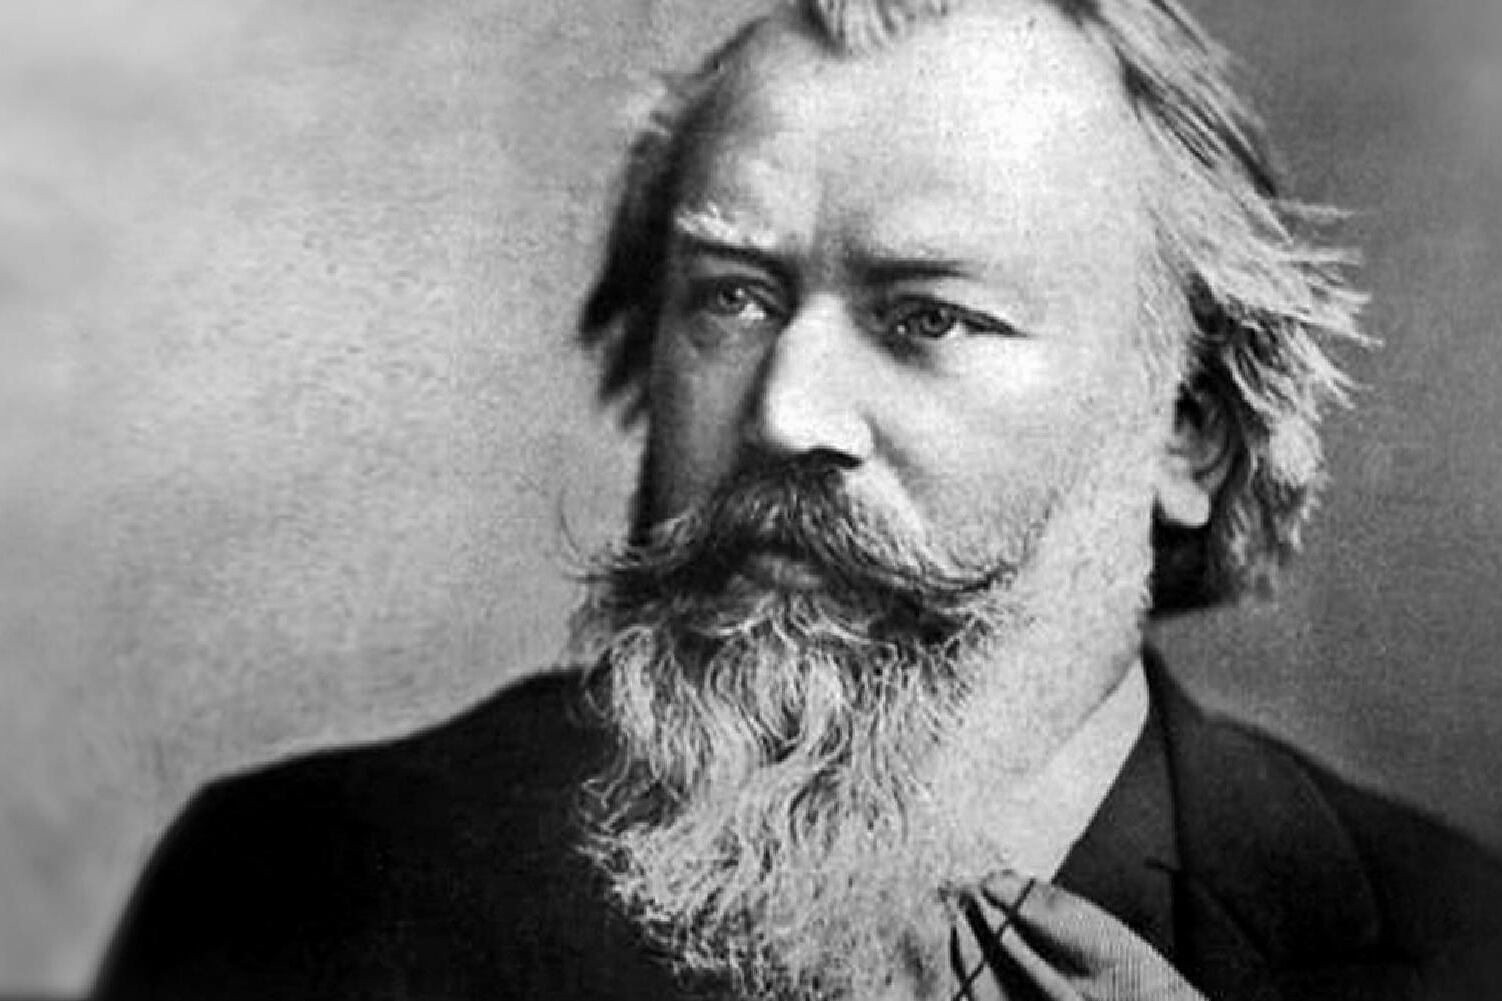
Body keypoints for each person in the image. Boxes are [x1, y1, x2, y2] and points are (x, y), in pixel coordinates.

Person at [94, 0, 1502, 999]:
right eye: (733, 297)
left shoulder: (1449, 944)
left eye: (926, 317)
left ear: (1186, 428)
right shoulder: (313, 886)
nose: (783, 411)